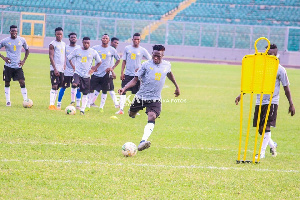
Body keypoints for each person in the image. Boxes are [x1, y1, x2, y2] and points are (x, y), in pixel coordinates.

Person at [235, 44, 295, 158]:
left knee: (265, 127)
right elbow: (253, 83)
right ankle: (272, 145)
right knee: (260, 129)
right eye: (268, 54)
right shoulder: (261, 68)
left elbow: (286, 87)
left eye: (273, 54)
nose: (270, 56)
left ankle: (261, 153)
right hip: (259, 101)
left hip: (272, 101)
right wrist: (241, 95)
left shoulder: (280, 69)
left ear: (276, 55)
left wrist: (291, 104)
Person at [118, 44, 180, 151]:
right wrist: (124, 88)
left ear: (163, 55)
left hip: (155, 98)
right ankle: (132, 112)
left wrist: (176, 87)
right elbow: (135, 80)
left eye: (158, 56)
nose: (156, 58)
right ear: (152, 54)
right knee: (131, 114)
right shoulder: (145, 65)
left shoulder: (167, 65)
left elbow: (170, 74)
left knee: (152, 116)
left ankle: (143, 141)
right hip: (141, 97)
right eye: (154, 55)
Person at [116, 32, 152, 115]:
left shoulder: (142, 50)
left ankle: (135, 110)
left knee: (137, 93)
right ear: (132, 40)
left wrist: (141, 66)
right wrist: (122, 73)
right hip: (127, 74)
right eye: (135, 39)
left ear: (140, 40)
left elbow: (150, 60)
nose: (136, 41)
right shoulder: (127, 48)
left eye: (138, 39)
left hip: (138, 76)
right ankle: (121, 109)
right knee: (123, 91)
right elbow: (124, 61)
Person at [67, 37, 101, 115]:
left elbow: (99, 62)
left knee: (85, 93)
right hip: (77, 73)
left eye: (87, 43)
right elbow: (69, 58)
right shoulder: (77, 50)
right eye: (85, 43)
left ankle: (82, 109)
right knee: (74, 84)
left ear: (90, 43)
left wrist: (94, 69)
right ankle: (73, 101)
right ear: (82, 42)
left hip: (86, 75)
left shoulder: (93, 52)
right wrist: (73, 67)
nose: (86, 44)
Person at [89, 34, 120, 112]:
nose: (105, 39)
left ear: (108, 40)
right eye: (103, 38)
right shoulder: (95, 48)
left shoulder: (112, 50)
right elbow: (89, 56)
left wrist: (112, 68)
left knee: (105, 90)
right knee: (91, 89)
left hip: (106, 74)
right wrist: (92, 67)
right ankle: (88, 104)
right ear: (101, 39)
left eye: (106, 38)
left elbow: (118, 59)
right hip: (96, 73)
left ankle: (101, 107)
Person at [0, 25, 30, 106]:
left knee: (22, 82)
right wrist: (3, 58)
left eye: (15, 31)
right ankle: (8, 101)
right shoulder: (5, 41)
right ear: (10, 31)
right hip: (8, 66)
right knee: (7, 83)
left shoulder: (22, 40)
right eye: (12, 31)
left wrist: (23, 61)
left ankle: (26, 100)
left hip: (18, 66)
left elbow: (27, 50)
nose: (14, 32)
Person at [56, 32, 81, 110]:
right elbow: (63, 57)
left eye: (74, 37)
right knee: (63, 87)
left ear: (76, 39)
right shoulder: (65, 47)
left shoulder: (79, 48)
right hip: (67, 71)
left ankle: (77, 105)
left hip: (76, 71)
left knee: (77, 87)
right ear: (69, 39)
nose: (73, 38)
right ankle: (59, 104)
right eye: (72, 37)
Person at [48, 27, 66, 110]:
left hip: (62, 69)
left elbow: (64, 56)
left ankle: (53, 105)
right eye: (58, 34)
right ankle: (51, 104)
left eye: (60, 34)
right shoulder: (52, 44)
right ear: (55, 34)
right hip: (54, 68)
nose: (59, 35)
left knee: (58, 86)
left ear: (62, 35)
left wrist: (65, 64)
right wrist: (55, 68)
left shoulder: (64, 44)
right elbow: (51, 57)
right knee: (54, 85)